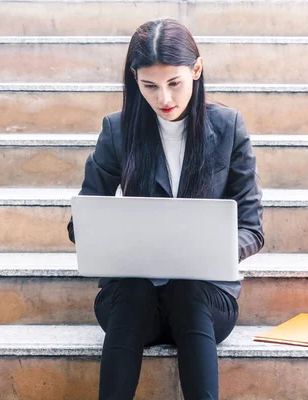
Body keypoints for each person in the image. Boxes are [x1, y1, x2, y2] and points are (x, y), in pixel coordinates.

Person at [67, 17, 264, 400]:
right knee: (134, 292)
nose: (164, 99)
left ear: (196, 69)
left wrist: (212, 248)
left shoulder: (229, 127)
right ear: (134, 80)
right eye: (149, 86)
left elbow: (252, 229)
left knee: (187, 291)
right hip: (132, 302)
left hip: (206, 301)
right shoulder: (117, 130)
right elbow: (83, 220)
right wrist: (110, 234)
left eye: (174, 83)